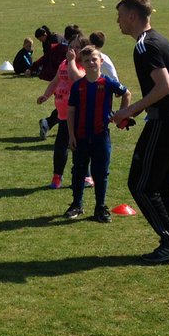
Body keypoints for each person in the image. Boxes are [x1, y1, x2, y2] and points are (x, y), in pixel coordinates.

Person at [111, 0, 169, 264]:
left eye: (121, 16)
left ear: (133, 17)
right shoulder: (158, 39)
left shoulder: (145, 46)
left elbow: (164, 86)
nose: (118, 22)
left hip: (166, 120)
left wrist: (128, 110)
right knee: (168, 186)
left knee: (141, 184)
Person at [64, 47, 131, 223]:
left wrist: (121, 115)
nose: (91, 63)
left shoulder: (108, 83)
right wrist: (71, 135)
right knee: (78, 171)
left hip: (101, 136)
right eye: (87, 61)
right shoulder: (78, 86)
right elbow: (71, 111)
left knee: (101, 173)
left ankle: (100, 207)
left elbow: (126, 93)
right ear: (82, 64)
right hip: (81, 136)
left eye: (94, 59)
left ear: (101, 61)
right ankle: (76, 204)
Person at [38, 32, 88, 188]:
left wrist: (72, 61)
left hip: (78, 115)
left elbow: (76, 79)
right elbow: (55, 81)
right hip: (63, 114)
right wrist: (46, 95)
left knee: (79, 147)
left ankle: (85, 175)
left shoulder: (84, 65)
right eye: (71, 47)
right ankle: (57, 176)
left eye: (77, 48)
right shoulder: (64, 64)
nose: (73, 50)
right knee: (60, 146)